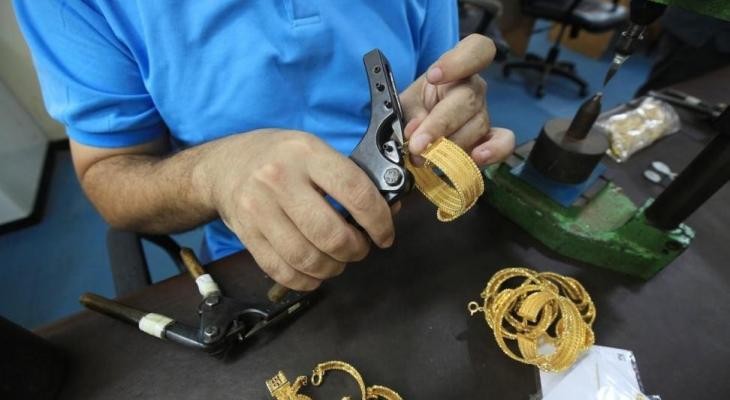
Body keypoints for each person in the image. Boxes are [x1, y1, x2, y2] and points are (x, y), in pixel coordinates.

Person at [14, 1, 515, 291]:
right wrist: (214, 173)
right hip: (256, 260)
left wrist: (450, 113)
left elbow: (435, 81)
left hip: (416, 223)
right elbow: (107, 173)